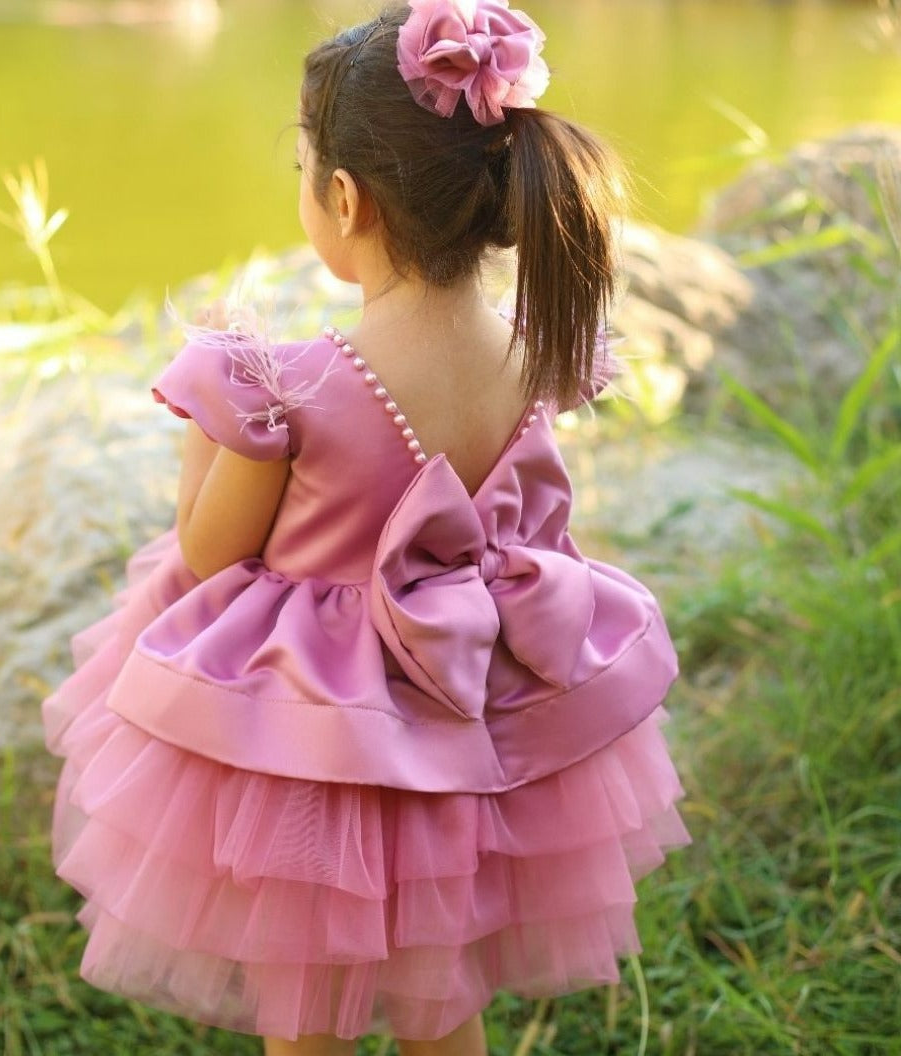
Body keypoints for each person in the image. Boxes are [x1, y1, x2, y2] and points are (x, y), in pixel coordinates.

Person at [42, 2, 690, 1054]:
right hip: (470, 730)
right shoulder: (541, 356)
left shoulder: (286, 386)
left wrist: (216, 430)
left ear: (343, 197)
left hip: (318, 752)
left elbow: (211, 556)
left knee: (308, 1016)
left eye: (303, 170)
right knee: (444, 1003)